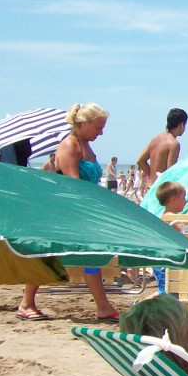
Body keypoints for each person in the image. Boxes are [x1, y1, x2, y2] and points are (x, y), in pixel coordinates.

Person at [18, 103, 120, 322]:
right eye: (98, 127)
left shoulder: (86, 146)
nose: (101, 132)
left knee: (92, 257)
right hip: (64, 212)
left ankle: (103, 306)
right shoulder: (69, 145)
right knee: (47, 255)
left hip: (83, 210)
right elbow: (73, 184)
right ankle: (26, 302)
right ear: (83, 123)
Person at [137, 108, 188, 187]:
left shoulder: (155, 139)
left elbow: (140, 161)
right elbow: (170, 172)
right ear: (182, 125)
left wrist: (152, 176)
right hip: (163, 190)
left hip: (152, 187)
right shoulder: (174, 144)